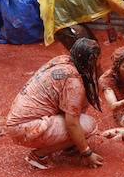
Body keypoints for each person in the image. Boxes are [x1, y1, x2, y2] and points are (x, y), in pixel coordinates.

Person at [6, 38, 104, 170]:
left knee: (78, 110)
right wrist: (87, 153)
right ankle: (38, 155)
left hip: (18, 123)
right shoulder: (73, 81)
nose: (99, 63)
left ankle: (68, 144)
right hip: (25, 127)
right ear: (91, 60)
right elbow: (72, 123)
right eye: (98, 60)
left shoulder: (63, 60)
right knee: (88, 125)